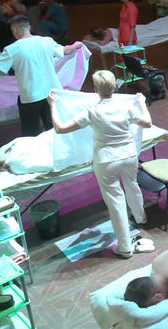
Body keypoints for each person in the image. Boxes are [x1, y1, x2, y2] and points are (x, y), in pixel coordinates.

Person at [49, 71, 154, 258]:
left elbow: (60, 128)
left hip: (107, 160)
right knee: (132, 185)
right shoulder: (125, 106)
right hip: (129, 155)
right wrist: (142, 103)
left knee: (116, 201)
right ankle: (141, 218)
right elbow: (147, 123)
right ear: (114, 87)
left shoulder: (92, 111)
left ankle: (125, 247)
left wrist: (53, 105)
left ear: (95, 89)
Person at [0, 16, 83, 137]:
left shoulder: (13, 49)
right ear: (29, 27)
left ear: (15, 30)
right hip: (53, 93)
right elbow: (66, 50)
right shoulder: (46, 41)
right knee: (54, 129)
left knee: (31, 134)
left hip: (31, 96)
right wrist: (76, 44)